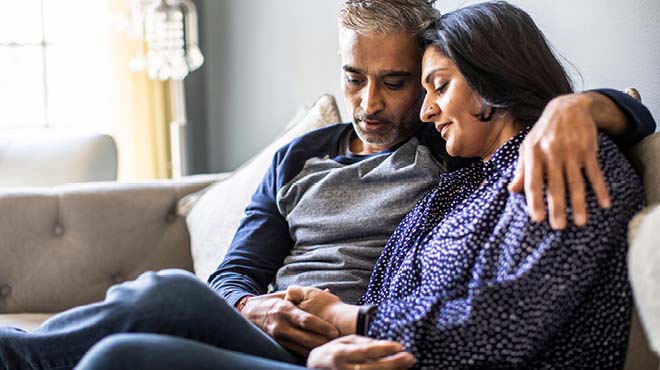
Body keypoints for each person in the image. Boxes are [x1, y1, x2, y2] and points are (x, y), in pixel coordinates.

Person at [0, 1, 655, 369]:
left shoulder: (498, 159)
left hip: (358, 349)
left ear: (490, 78)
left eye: (412, 84)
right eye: (352, 79)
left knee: (121, 358)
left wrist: (577, 108)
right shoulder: (456, 177)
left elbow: (498, 325)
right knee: (167, 295)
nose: (371, 104)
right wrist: (263, 311)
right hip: (323, 342)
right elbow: (239, 271)